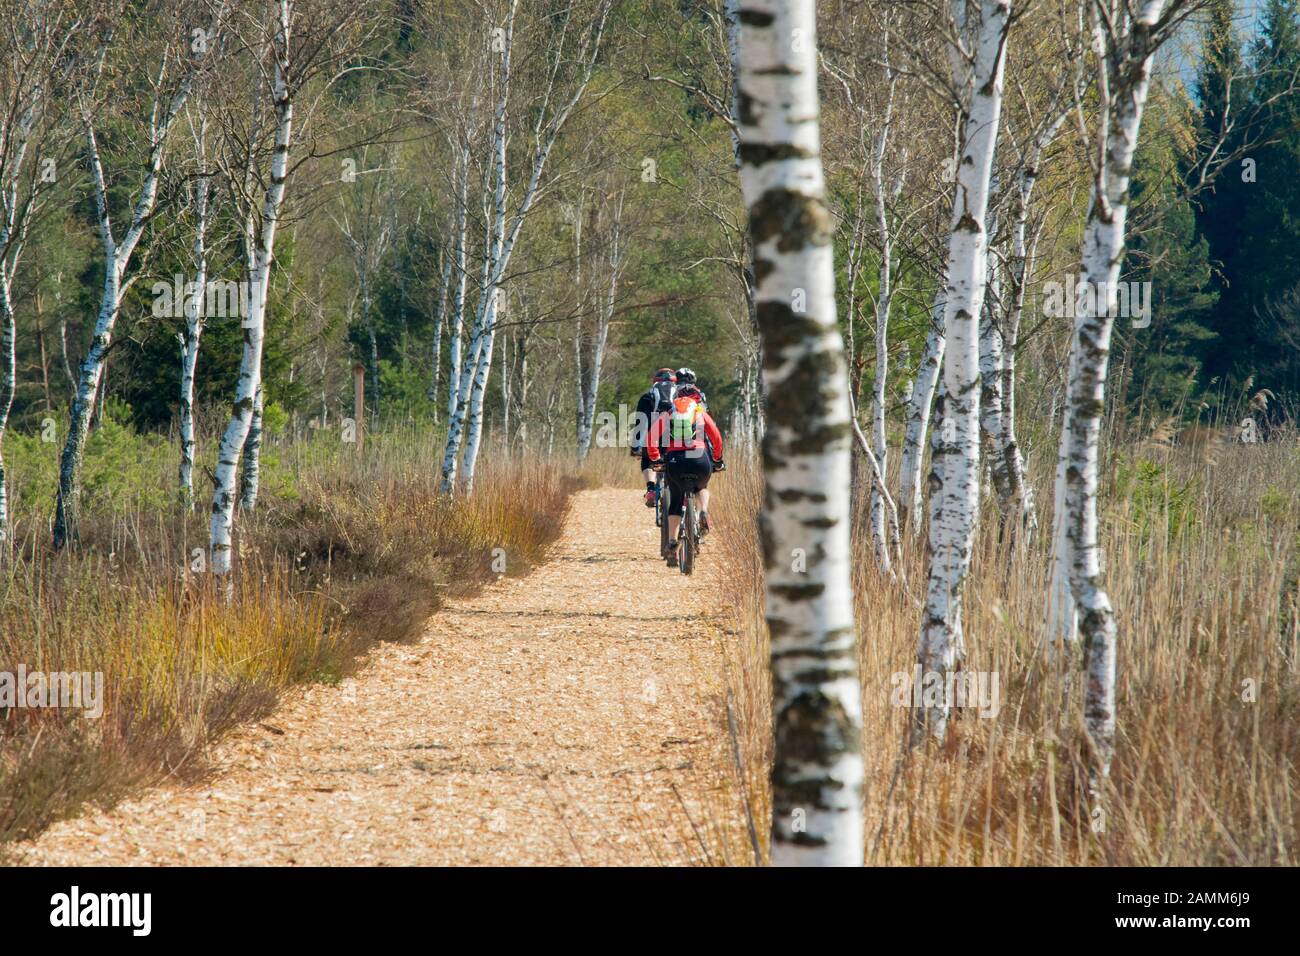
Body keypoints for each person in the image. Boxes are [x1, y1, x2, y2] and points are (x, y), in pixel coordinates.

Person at [646, 384, 724, 564]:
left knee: (675, 498)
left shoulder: (669, 413)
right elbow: (716, 437)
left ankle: (672, 541)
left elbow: (652, 438)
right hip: (700, 459)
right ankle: (703, 511)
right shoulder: (700, 413)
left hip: (675, 461)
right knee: (701, 486)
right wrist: (718, 459)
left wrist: (656, 458)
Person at [631, 368, 677, 507]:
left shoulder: (648, 396)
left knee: (647, 457)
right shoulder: (679, 395)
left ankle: (651, 489)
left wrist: (636, 447)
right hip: (674, 437)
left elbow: (640, 422)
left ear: (655, 381)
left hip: (653, 437)